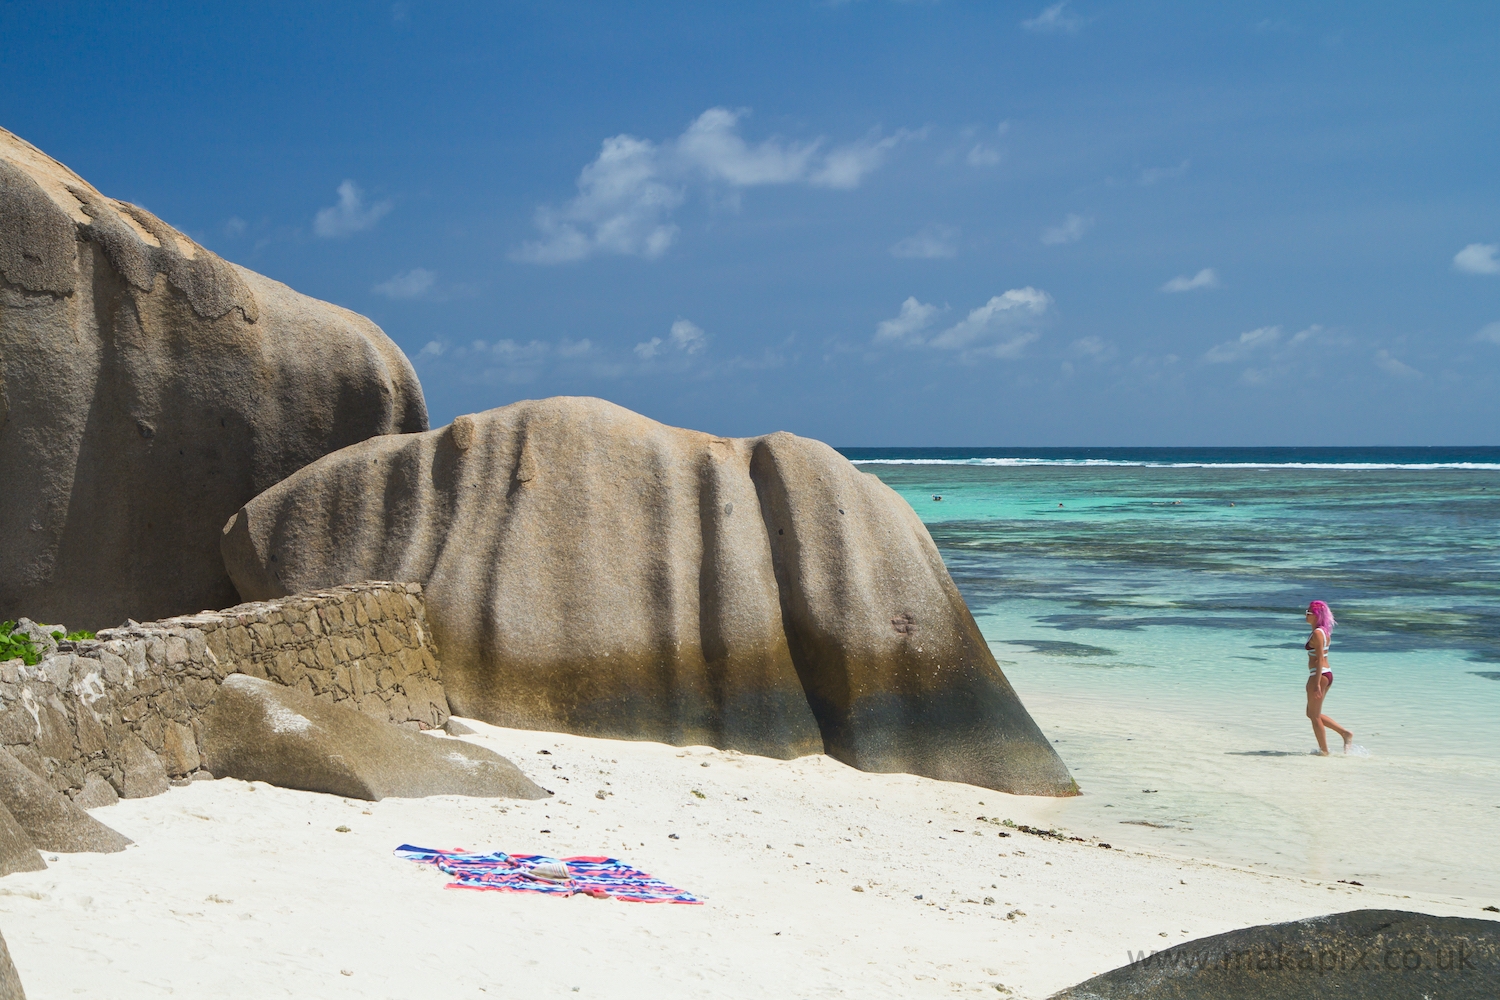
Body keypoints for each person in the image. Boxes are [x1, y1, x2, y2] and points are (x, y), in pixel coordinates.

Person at [1304, 600, 1353, 755]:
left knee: (1315, 716)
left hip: (1320, 674)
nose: (1306, 615)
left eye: (1308, 612)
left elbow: (1318, 659)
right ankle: (1344, 733)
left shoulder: (1318, 633)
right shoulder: (1324, 632)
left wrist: (1317, 683)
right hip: (1326, 673)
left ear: (1316, 615)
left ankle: (1324, 751)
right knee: (1311, 713)